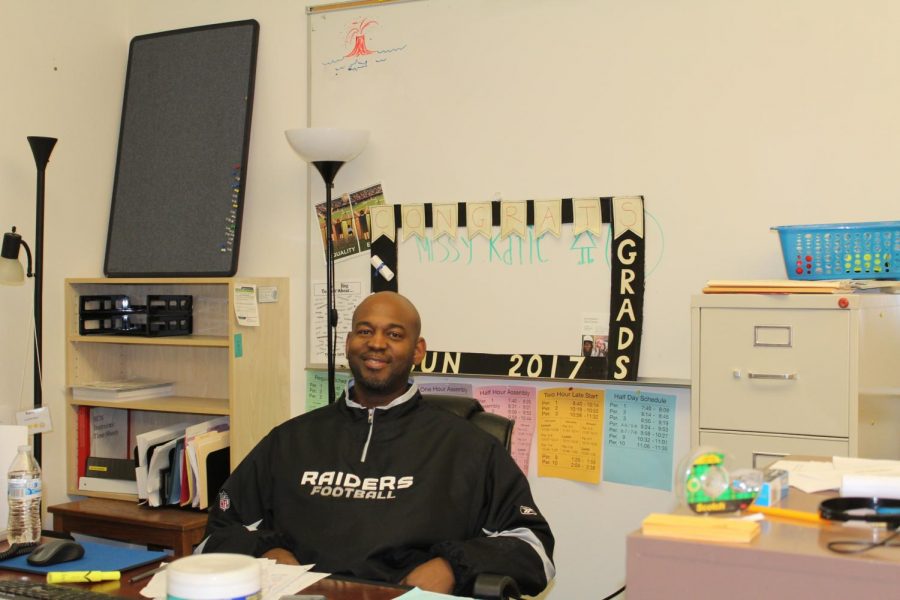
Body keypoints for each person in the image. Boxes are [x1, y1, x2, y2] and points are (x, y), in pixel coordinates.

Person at [200, 292, 555, 596]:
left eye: (394, 334)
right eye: (365, 331)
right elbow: (217, 533)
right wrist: (268, 551)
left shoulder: (468, 447)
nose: (376, 343)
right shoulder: (290, 440)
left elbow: (533, 547)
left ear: (418, 351)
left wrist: (450, 567)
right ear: (348, 342)